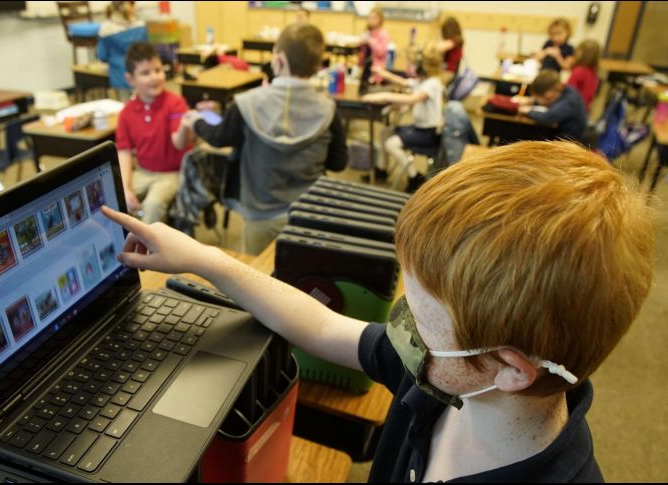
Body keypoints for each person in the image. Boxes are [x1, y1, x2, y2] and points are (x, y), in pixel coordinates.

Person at [101, 140, 654, 482]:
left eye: (418, 315)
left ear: (511, 368)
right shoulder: (448, 384)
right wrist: (205, 259)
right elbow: (319, 324)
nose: (401, 325)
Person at [180, 23, 347, 255]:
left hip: (259, 214)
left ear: (278, 59)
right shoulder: (329, 110)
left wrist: (197, 120)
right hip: (308, 215)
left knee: (255, 277)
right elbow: (339, 163)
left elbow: (219, 138)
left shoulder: (247, 103)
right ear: (319, 65)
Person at [116, 42, 193, 224]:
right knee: (115, 197)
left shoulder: (175, 103)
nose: (154, 77)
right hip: (143, 172)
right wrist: (125, 188)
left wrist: (184, 128)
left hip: (171, 174)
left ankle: (146, 250)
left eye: (158, 70)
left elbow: (179, 143)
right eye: (145, 73)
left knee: (153, 205)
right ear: (130, 79)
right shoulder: (127, 112)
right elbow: (124, 152)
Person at [365, 42, 445, 192]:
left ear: (422, 67)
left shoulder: (432, 84)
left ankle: (414, 177)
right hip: (419, 129)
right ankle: (381, 170)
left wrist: (383, 95)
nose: (409, 68)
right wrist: (383, 73)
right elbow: (404, 82)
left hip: (428, 133)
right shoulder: (423, 81)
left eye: (412, 65)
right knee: (384, 134)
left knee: (391, 144)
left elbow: (412, 99)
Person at [517, 69, 588, 142]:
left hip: (568, 145)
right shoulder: (566, 90)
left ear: (549, 94)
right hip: (563, 140)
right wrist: (532, 102)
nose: (543, 102)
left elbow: (547, 118)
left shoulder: (569, 101)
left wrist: (527, 111)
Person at [566, 39, 600, 112]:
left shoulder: (579, 71)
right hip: (584, 110)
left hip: (573, 110)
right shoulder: (593, 73)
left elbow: (568, 92)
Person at [359, 8, 390, 84]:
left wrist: (370, 41)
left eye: (374, 18)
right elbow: (362, 53)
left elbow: (381, 52)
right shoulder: (367, 32)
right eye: (369, 18)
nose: (371, 20)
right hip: (365, 67)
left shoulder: (383, 34)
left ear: (380, 20)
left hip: (377, 69)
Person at [437, 17, 464, 84]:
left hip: (448, 73)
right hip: (450, 72)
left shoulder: (452, 42)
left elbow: (437, 48)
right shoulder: (457, 40)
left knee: (431, 82)